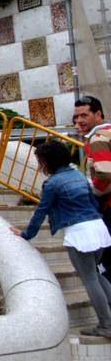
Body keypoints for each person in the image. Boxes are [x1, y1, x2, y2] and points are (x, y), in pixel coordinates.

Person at [12, 140, 111, 338]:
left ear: (48, 161)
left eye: (40, 161)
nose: (40, 166)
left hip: (79, 234)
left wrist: (26, 234)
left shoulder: (52, 183)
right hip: (98, 229)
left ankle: (106, 325)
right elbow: (92, 201)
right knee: (99, 275)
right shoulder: (78, 175)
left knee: (90, 279)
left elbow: (41, 211)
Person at [74, 95, 111, 274]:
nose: (79, 120)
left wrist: (90, 191)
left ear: (98, 114)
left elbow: (105, 174)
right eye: (77, 117)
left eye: (84, 115)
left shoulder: (98, 137)